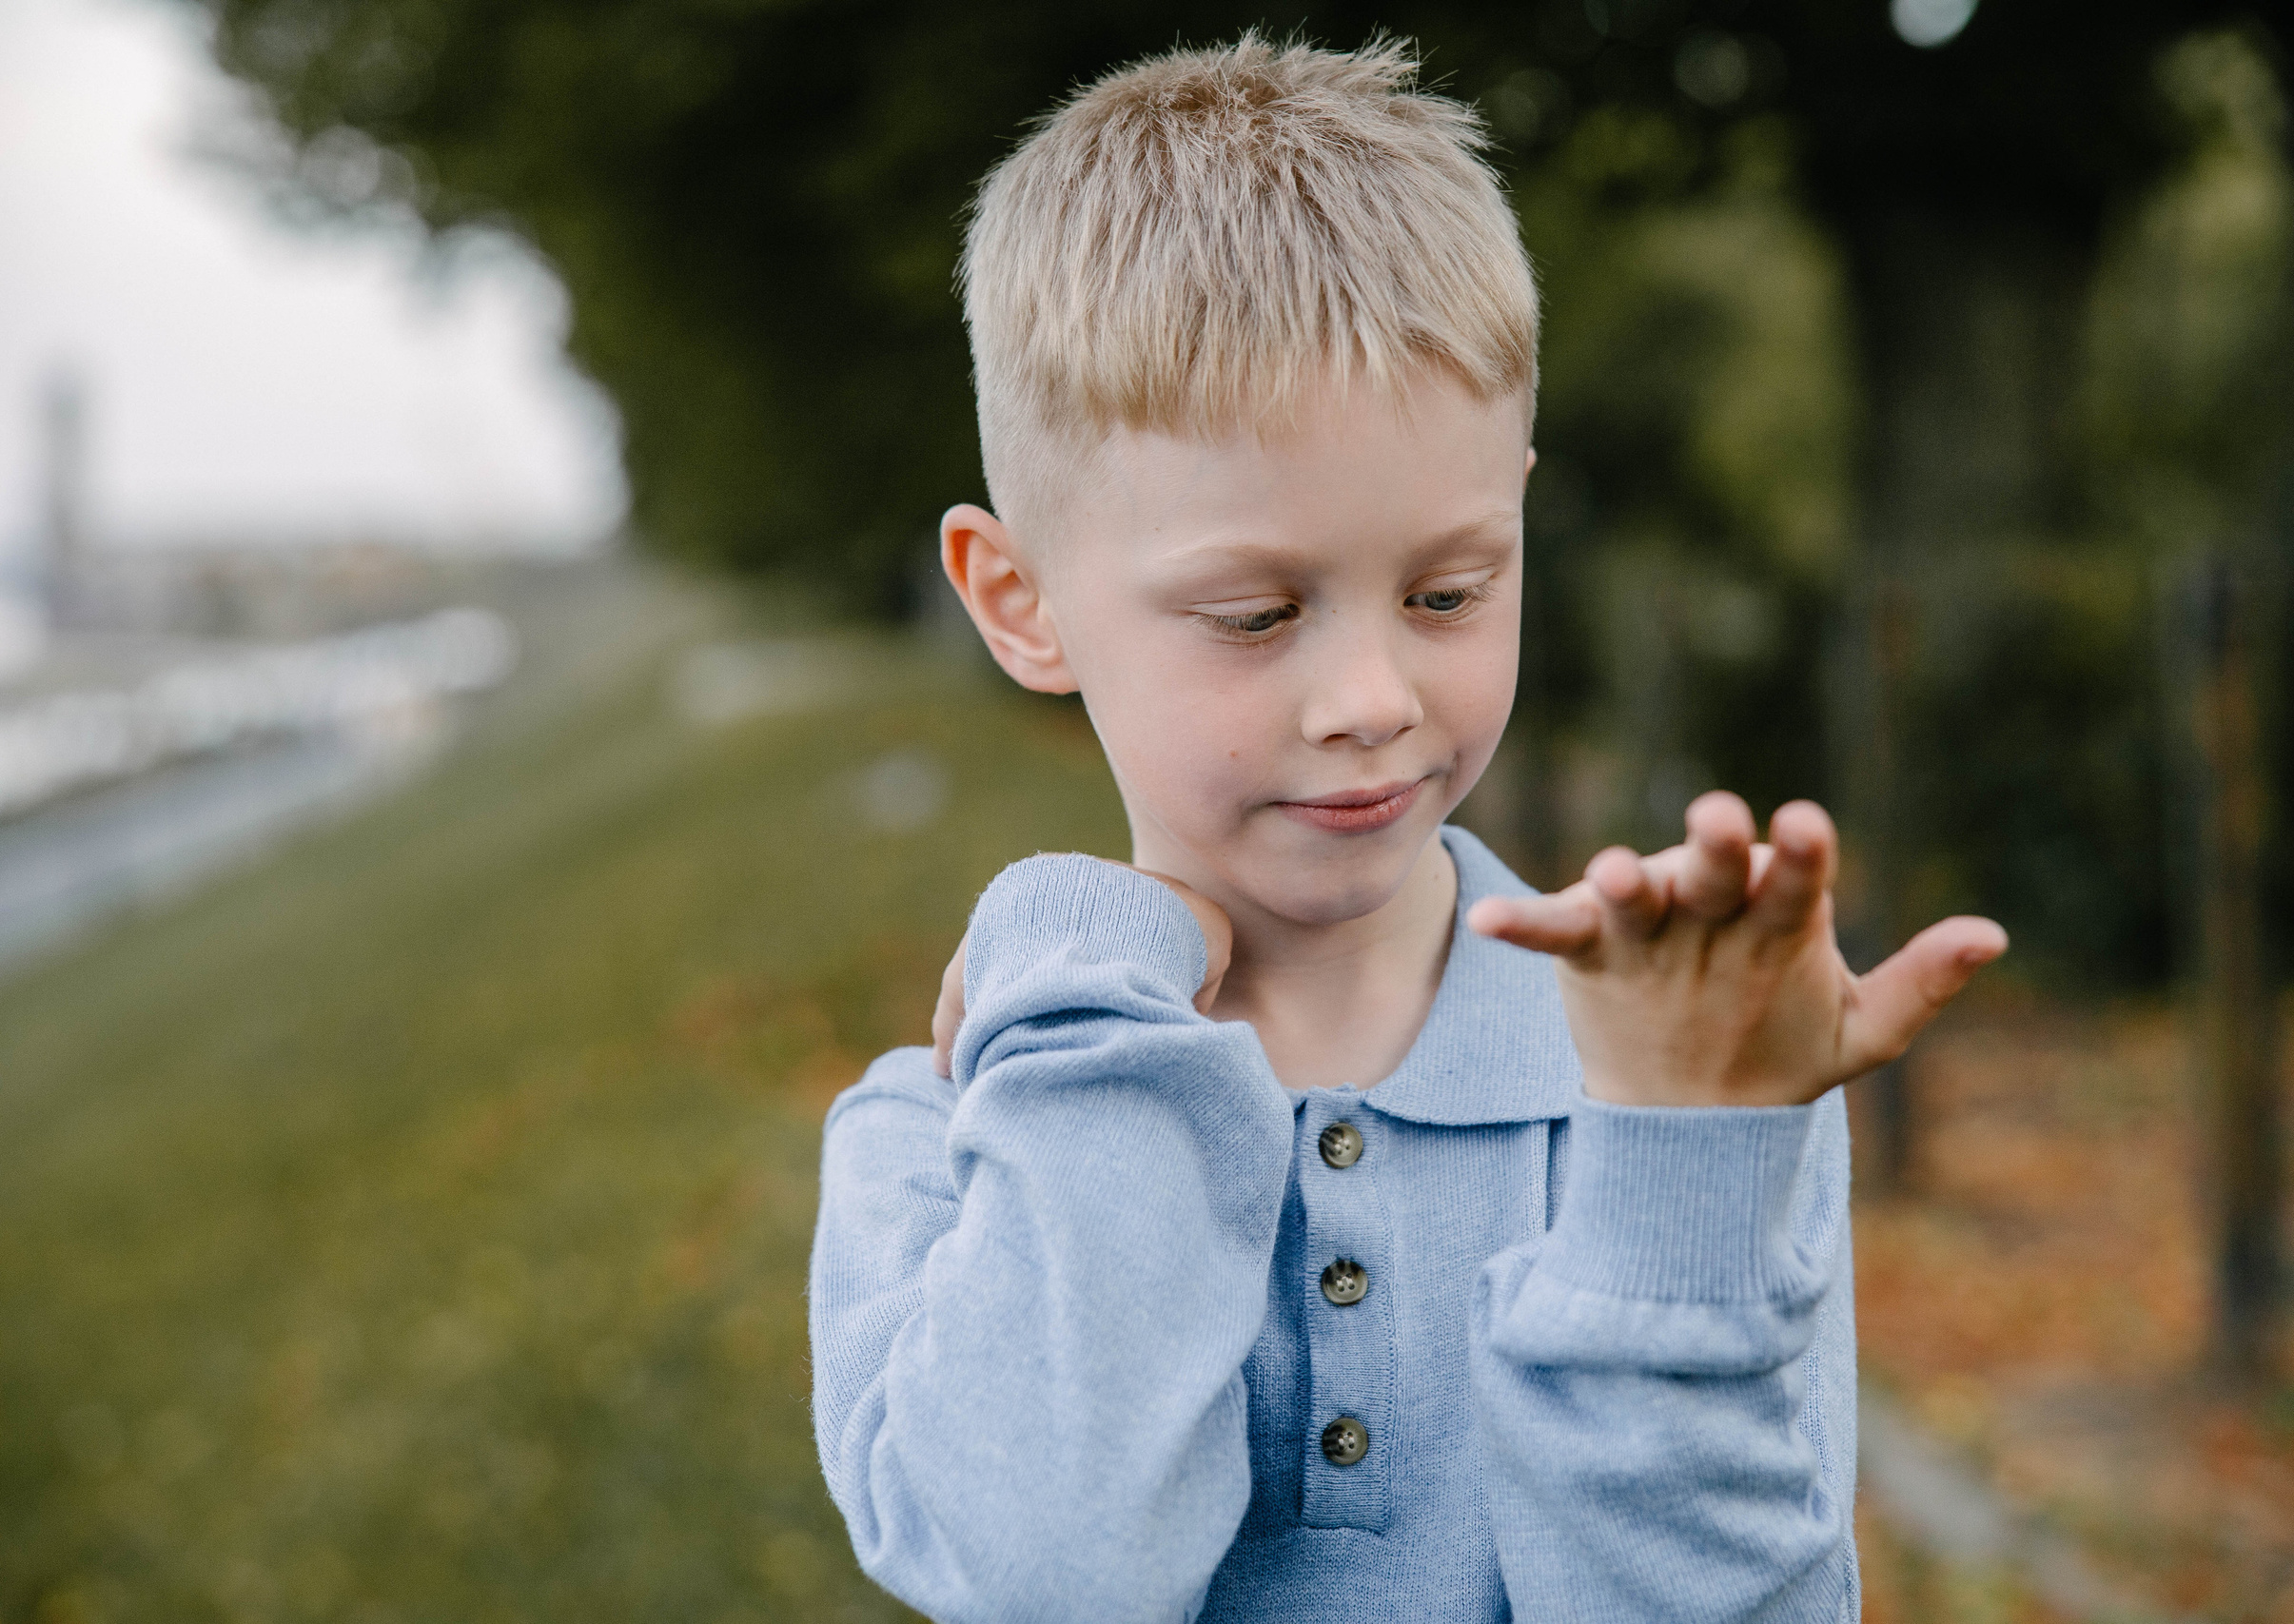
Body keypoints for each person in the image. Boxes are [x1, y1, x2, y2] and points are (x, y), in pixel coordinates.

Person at [810, 34, 2006, 1622]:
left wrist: (1679, 1163)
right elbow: (1049, 1582)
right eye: (1253, 614)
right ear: (1019, 603)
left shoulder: (1674, 1072)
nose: (1372, 696)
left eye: (1451, 591)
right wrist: (1081, 955)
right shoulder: (942, 1138)